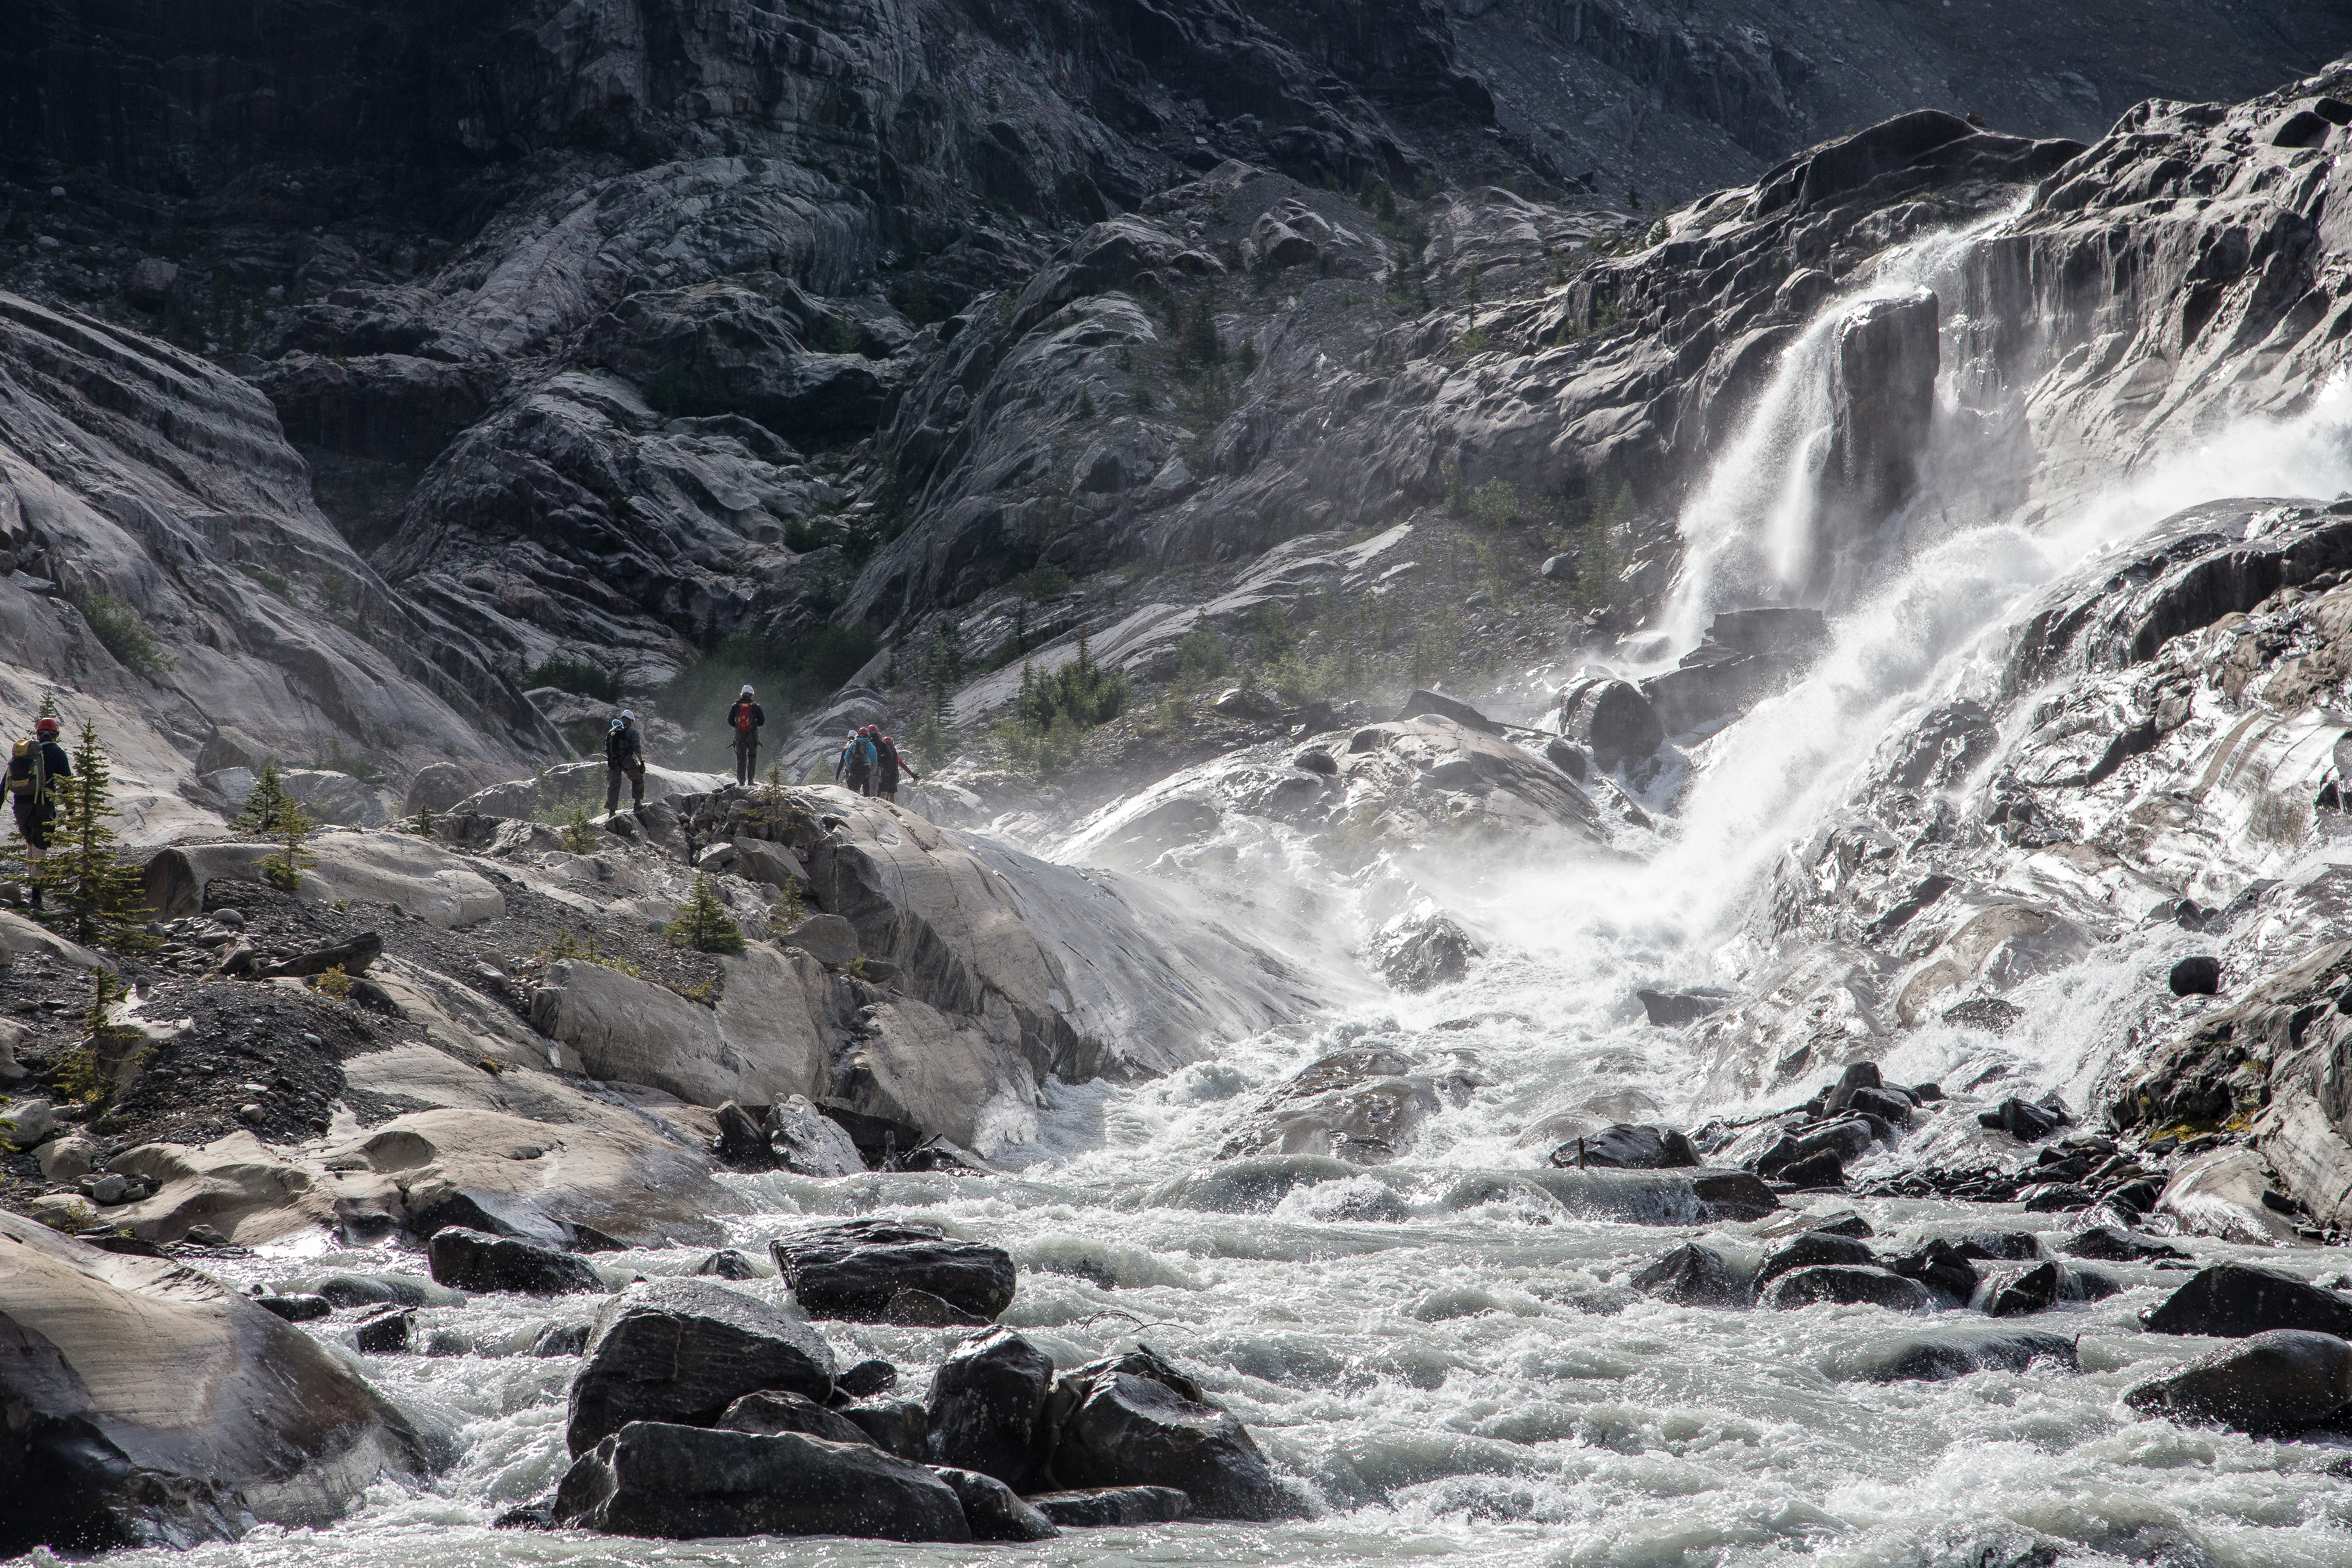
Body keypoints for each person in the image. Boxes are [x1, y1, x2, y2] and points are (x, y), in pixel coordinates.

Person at [8, 715, 70, 911]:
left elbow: (5, 783)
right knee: (40, 850)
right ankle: (37, 899)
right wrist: (72, 816)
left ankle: (33, 896)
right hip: (44, 808)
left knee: (32, 848)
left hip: (21, 809)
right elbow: (67, 787)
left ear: (38, 734)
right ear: (55, 735)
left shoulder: (24, 755)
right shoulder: (58, 754)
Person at [604, 709, 646, 812]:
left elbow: (607, 748)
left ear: (622, 719)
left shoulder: (612, 731)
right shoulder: (633, 732)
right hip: (626, 760)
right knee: (638, 779)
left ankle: (612, 812)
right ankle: (637, 805)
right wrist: (641, 763)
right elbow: (637, 748)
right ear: (631, 721)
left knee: (614, 786)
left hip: (613, 762)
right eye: (632, 722)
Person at [726, 684, 764, 786]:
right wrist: (754, 726)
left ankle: (741, 782)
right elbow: (762, 722)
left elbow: (730, 720)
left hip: (740, 735)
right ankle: (751, 781)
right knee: (752, 757)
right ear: (752, 695)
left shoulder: (735, 706)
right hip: (753, 735)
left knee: (741, 758)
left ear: (742, 694)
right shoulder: (756, 706)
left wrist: (738, 726)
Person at [874, 733, 918, 803]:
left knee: (883, 793)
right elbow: (903, 765)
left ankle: (881, 807)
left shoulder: (882, 751)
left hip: (885, 775)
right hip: (894, 776)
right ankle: (892, 810)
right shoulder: (896, 754)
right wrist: (911, 774)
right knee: (892, 795)